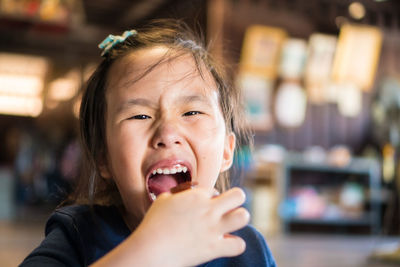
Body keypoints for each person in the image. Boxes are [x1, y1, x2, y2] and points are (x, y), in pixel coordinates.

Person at [20, 19, 276, 267]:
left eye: (191, 112)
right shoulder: (78, 235)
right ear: (104, 159)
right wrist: (149, 252)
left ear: (226, 151)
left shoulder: (246, 248)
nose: (166, 133)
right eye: (139, 116)